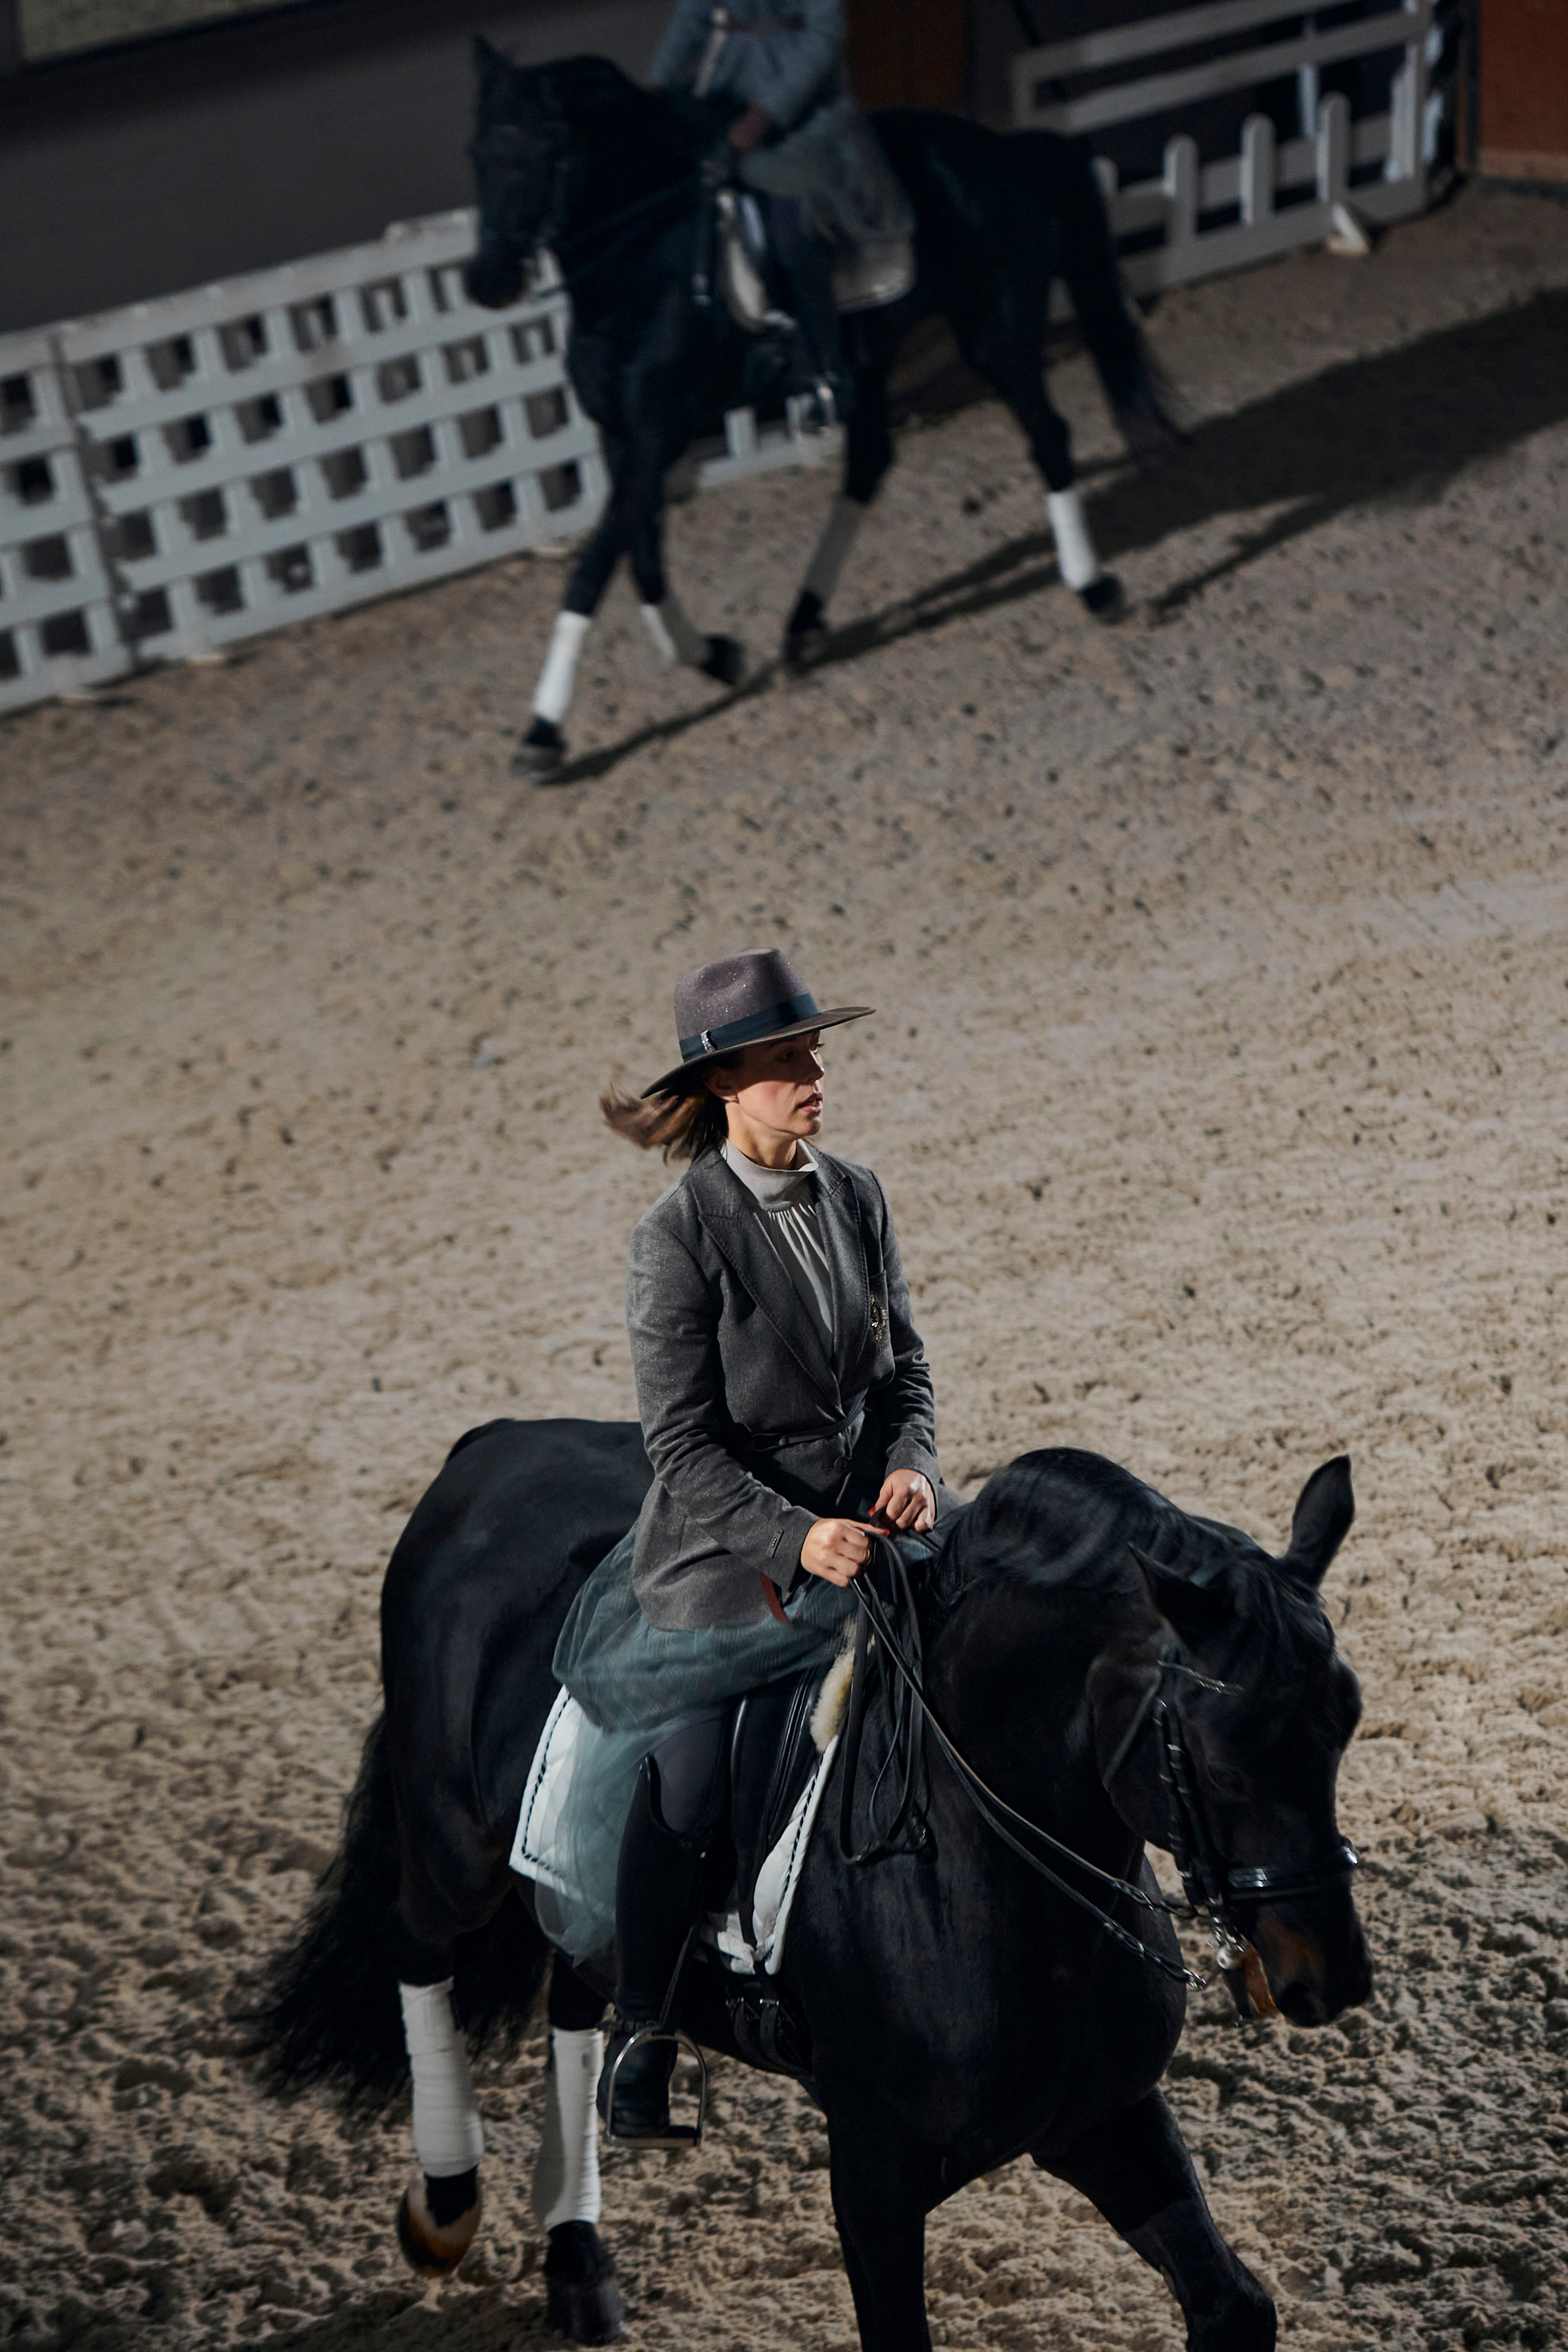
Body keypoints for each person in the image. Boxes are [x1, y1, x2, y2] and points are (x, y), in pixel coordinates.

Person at [551, 948, 947, 2139]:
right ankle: (643, 2028)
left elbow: (905, 1373)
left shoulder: (859, 1195)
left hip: (873, 1536)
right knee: (691, 1780)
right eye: (788, 1056)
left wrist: (910, 1468)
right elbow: (679, 1448)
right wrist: (795, 1535)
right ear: (729, 1080)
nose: (814, 1071)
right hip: (731, 1567)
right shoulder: (677, 1238)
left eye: (814, 1049)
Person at [647, 1, 914, 425]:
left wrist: (766, 113)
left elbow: (823, 33)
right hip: (725, 91)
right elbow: (690, 18)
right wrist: (659, 86)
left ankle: (826, 369)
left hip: (803, 109)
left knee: (791, 230)